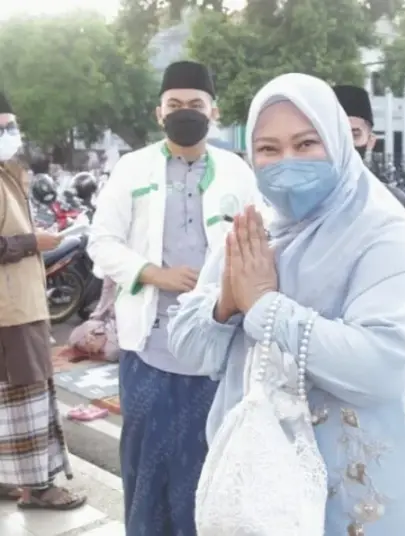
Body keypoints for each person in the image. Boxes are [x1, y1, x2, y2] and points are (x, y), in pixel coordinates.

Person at [167, 73, 405, 535]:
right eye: (269, 149)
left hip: (362, 492)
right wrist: (226, 304)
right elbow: (189, 348)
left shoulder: (383, 233)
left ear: (338, 142)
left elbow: (381, 368)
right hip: (262, 491)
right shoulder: (255, 226)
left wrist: (264, 307)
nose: (286, 162)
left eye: (306, 143)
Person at [87, 61, 263, 534]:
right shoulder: (132, 168)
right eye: (176, 105)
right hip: (150, 348)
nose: (186, 113)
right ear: (159, 112)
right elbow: (100, 241)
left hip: (218, 351)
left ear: (215, 112)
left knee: (208, 468)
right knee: (145, 467)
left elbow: (259, 244)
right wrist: (154, 275)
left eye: (196, 105)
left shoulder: (237, 171)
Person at [0, 92, 86, 510]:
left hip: (18, 308)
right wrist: (33, 242)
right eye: (2, 127)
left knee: (13, 394)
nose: (11, 135)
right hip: (11, 314)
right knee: (29, 395)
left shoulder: (7, 176)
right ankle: (38, 488)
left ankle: (10, 478)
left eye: (11, 126)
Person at [333, 84, 405, 210]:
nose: (346, 144)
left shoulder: (394, 201)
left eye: (355, 135)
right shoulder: (307, 203)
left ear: (370, 141)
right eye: (339, 134)